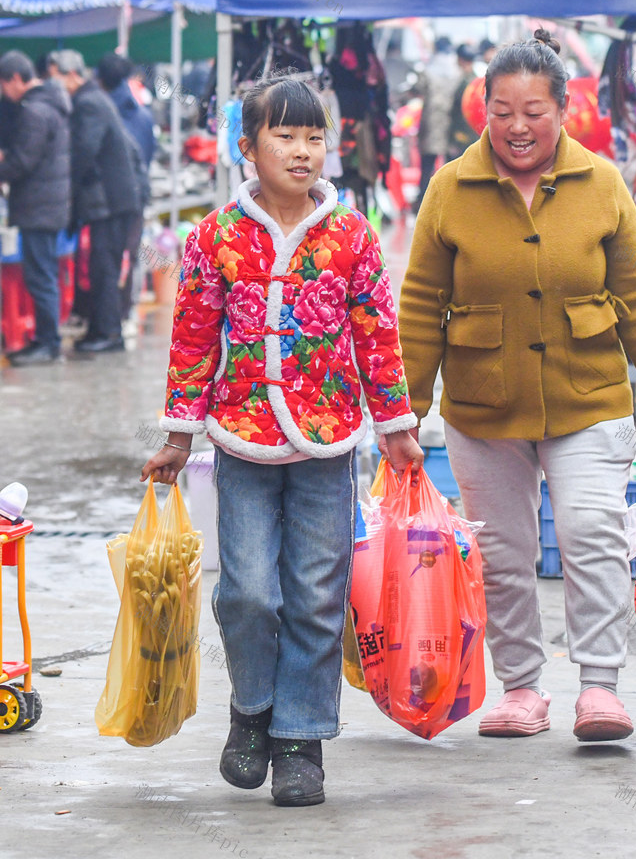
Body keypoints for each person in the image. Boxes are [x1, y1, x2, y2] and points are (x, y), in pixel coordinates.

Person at [396, 31, 636, 743]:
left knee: (590, 531)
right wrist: (403, 414)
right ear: (482, 109)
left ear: (564, 110)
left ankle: (599, 685)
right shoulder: (449, 188)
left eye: (533, 112)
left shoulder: (601, 183)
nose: (517, 127)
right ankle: (521, 689)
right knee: (503, 553)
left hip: (589, 397)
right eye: (502, 111)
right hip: (482, 406)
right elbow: (419, 306)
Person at [140, 77, 423, 806]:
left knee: (317, 596)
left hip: (329, 447)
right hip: (242, 442)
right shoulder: (214, 236)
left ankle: (300, 741)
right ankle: (252, 711)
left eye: (314, 137)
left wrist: (396, 427)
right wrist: (178, 435)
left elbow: (378, 337)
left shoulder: (352, 235)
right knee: (248, 595)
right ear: (248, 148)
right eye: (285, 136)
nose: (302, 151)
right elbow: (193, 338)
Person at [51, 50, 142, 353]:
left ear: (72, 75)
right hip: (111, 201)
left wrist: (68, 187)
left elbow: (83, 152)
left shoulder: (88, 102)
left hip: (110, 203)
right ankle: (100, 329)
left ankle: (109, 334)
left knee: (105, 269)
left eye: (56, 76)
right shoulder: (93, 98)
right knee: (101, 268)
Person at [0, 50, 71, 366]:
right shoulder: (50, 104)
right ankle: (46, 340)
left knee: (40, 277)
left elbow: (22, 161)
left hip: (39, 208)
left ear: (16, 79)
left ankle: (48, 343)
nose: (4, 93)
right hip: (46, 205)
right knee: (43, 275)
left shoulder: (35, 112)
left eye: (3, 85)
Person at [96, 52, 155, 323]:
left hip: (112, 197)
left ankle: (110, 319)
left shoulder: (104, 112)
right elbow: (148, 156)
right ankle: (125, 312)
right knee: (130, 255)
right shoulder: (142, 114)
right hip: (138, 194)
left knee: (108, 258)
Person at [414, 36, 458, 214]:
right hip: (450, 125)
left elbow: (418, 89)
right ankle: (450, 203)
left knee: (427, 166)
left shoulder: (428, 69)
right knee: (451, 166)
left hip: (431, 123)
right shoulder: (457, 70)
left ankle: (423, 203)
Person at [447, 43, 479, 159]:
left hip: (462, 137)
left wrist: (455, 141)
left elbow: (461, 113)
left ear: (460, 59)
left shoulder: (466, 83)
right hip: (471, 136)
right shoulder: (476, 81)